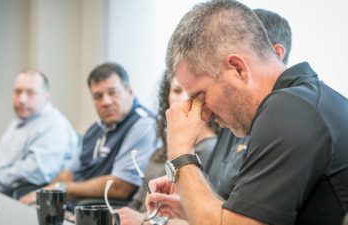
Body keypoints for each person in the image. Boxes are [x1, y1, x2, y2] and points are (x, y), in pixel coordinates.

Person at [147, 1, 348, 225]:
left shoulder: (288, 111)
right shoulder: (303, 100)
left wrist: (180, 150)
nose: (203, 113)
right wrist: (192, 208)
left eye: (200, 95)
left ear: (238, 69)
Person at [20, 62, 157, 206]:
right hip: (73, 205)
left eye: (112, 92)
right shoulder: (95, 129)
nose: (106, 102)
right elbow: (69, 172)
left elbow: (120, 186)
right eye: (98, 96)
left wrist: (62, 188)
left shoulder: (143, 125)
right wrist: (48, 193)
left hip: (98, 210)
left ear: (129, 92)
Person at [206, 8, 292, 200]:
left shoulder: (286, 125)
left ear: (276, 54)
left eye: (237, 63)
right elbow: (213, 191)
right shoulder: (232, 117)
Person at [117, 73, 219, 225]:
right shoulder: (160, 152)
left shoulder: (212, 149)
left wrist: (145, 221)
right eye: (177, 91)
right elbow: (138, 201)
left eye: (191, 92)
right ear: (167, 97)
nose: (184, 98)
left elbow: (197, 214)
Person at [0, 70, 78, 196]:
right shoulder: (17, 123)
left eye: (30, 93)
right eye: (17, 92)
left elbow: (35, 172)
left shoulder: (54, 125)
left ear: (46, 96)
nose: (22, 99)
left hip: (22, 195)